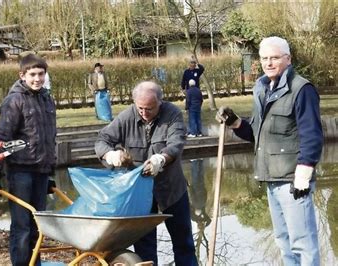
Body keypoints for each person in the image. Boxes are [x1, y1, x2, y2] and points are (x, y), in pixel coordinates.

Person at [216, 36, 323, 265]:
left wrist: (303, 175)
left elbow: (312, 135)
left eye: (274, 58)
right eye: (264, 58)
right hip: (272, 178)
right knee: (283, 242)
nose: (269, 63)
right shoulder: (263, 88)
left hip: (293, 181)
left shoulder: (301, 89)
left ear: (288, 59)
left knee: (303, 244)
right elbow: (257, 134)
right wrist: (235, 122)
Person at [95, 81, 197, 265]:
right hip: (140, 194)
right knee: (144, 248)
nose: (144, 113)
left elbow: (176, 143)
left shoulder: (173, 114)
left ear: (160, 102)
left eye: (149, 108)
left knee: (184, 243)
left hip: (171, 189)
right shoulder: (126, 116)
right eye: (140, 108)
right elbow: (102, 139)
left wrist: (162, 159)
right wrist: (110, 154)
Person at [0, 54, 57, 266]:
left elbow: (49, 138)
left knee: (37, 226)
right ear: (22, 75)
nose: (37, 79)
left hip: (41, 171)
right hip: (20, 171)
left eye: (41, 74)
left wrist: (50, 171)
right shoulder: (14, 101)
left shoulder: (46, 99)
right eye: (32, 74)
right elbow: (1, 140)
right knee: (22, 227)